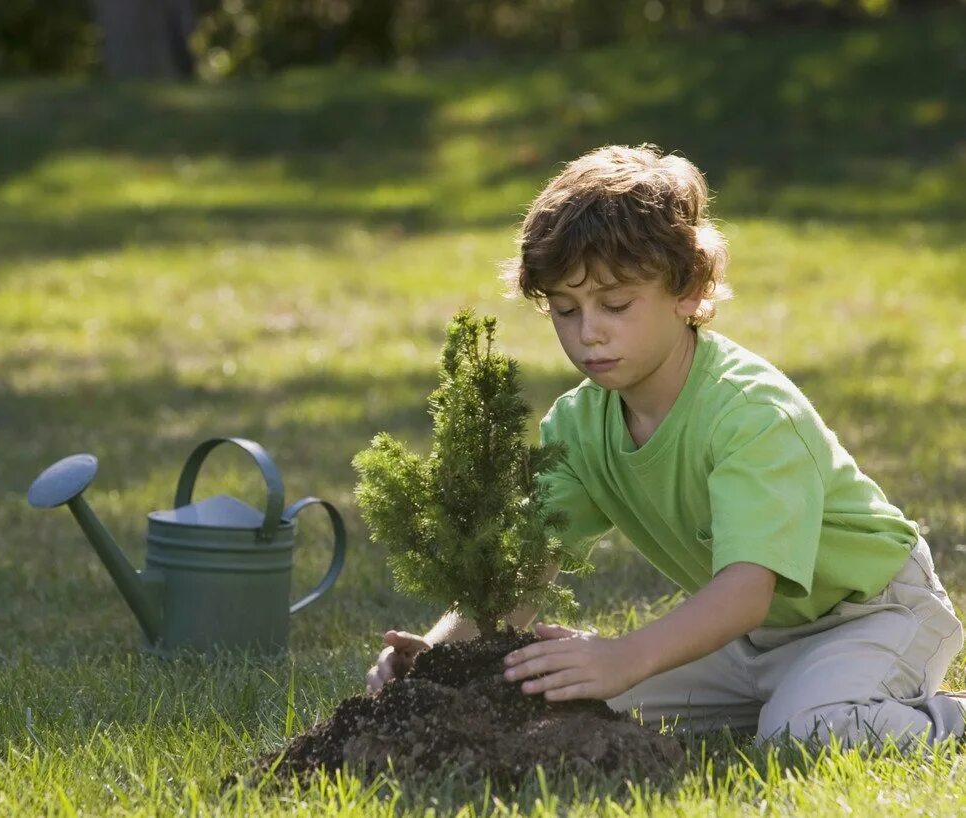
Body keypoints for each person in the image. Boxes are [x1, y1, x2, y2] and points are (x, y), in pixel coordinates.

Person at [366, 143, 965, 748]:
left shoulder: (749, 413)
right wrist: (438, 658)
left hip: (875, 616)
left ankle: (944, 719)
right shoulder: (578, 425)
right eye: (565, 310)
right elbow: (528, 568)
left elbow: (745, 591)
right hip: (748, 644)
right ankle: (793, 695)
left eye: (616, 304)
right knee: (565, 702)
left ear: (688, 289)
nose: (588, 332)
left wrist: (629, 655)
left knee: (804, 734)